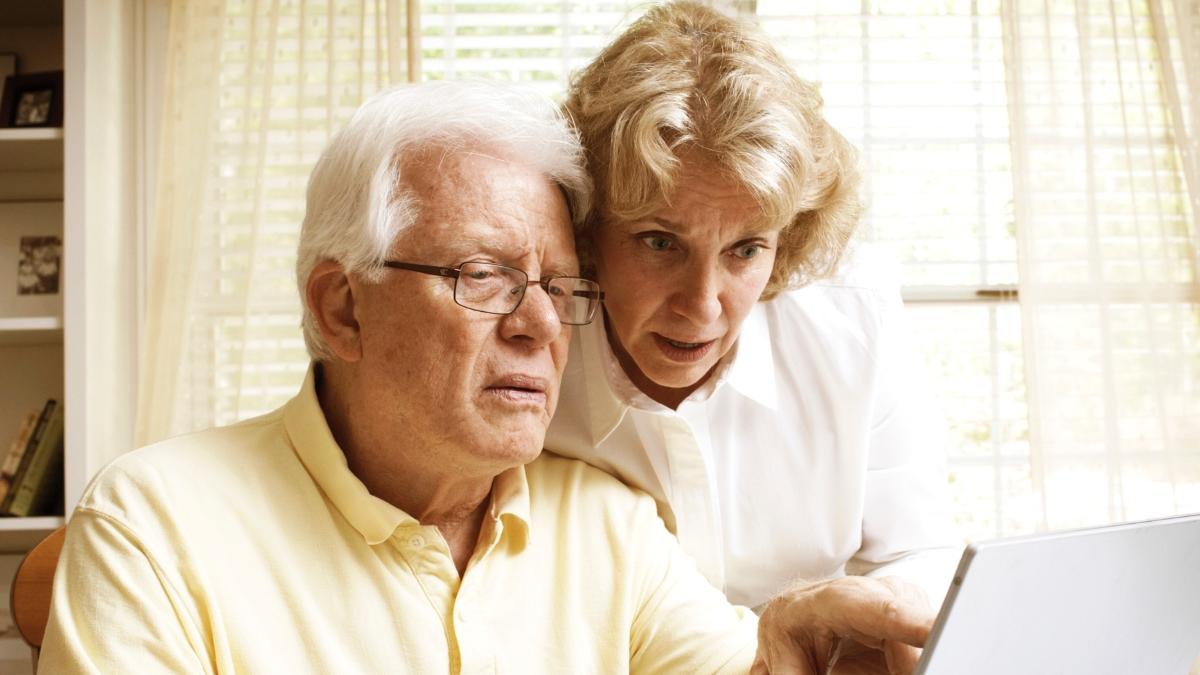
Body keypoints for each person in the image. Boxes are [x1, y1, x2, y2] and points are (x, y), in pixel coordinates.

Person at [38, 80, 932, 674]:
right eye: (484, 276)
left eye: (559, 284)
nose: (542, 324)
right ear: (343, 306)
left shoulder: (608, 527)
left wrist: (785, 636)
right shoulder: (155, 524)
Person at [547, 2, 961, 666]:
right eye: (660, 242)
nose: (702, 306)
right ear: (589, 228)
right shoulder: (528, 350)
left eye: (745, 250)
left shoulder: (852, 321)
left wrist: (872, 620)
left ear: (786, 241)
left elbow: (918, 549)